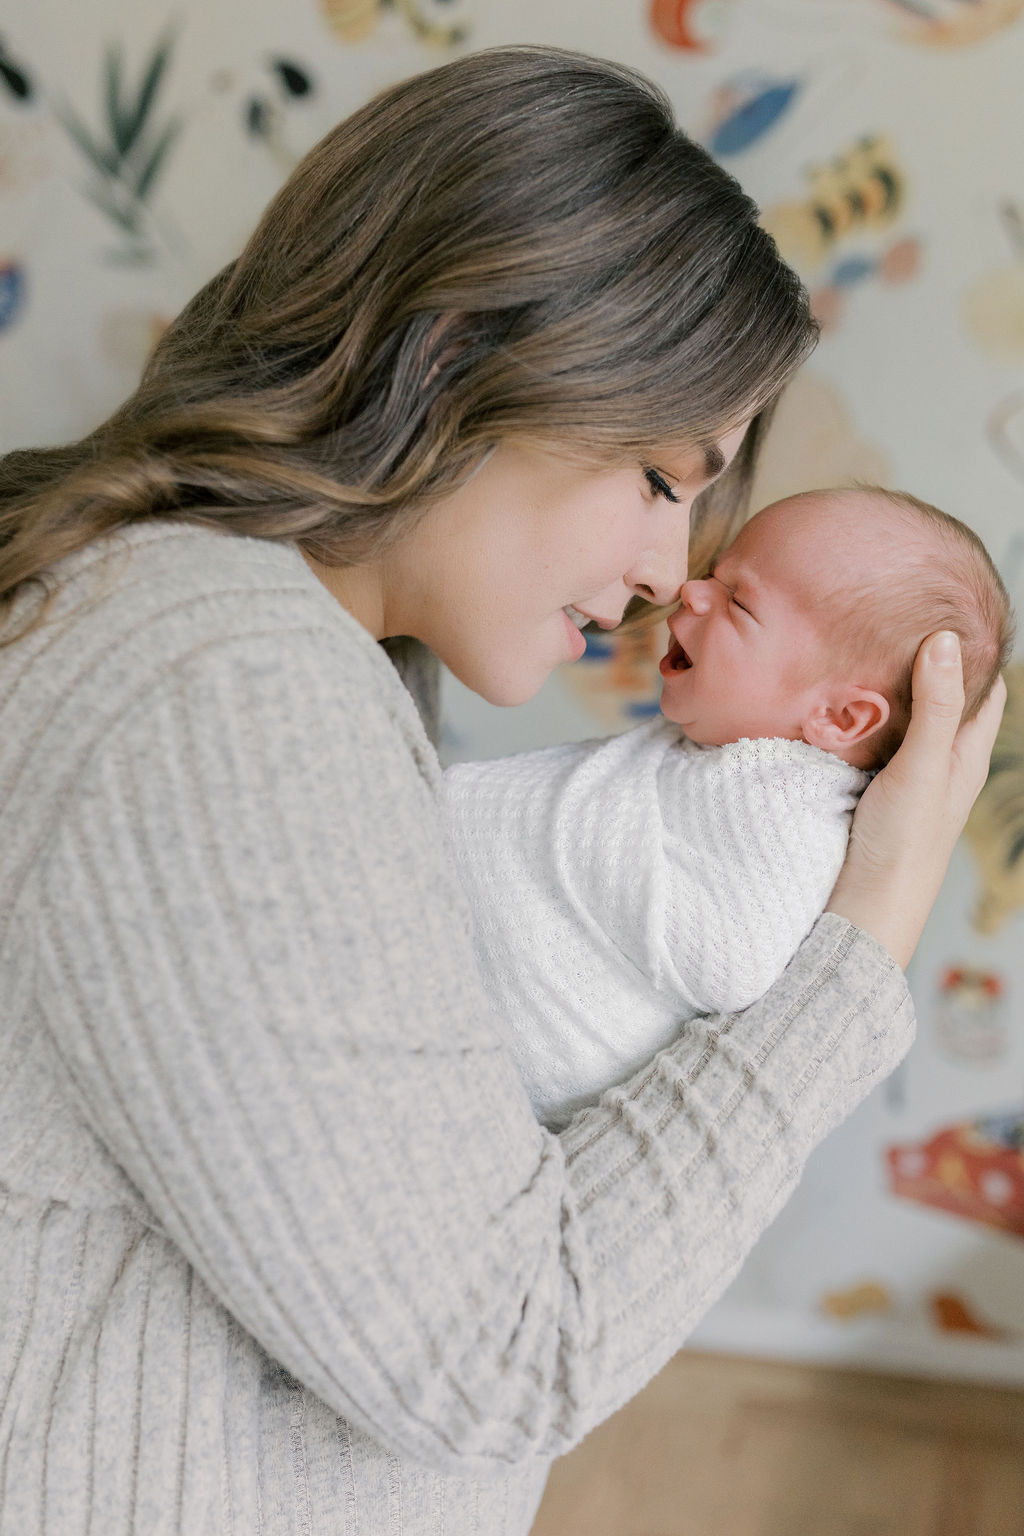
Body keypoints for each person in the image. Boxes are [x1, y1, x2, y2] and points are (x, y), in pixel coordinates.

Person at [0, 45, 1005, 1536]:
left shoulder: (280, 649)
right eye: (667, 479)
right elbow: (499, 1354)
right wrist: (862, 946)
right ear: (461, 350)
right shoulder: (220, 685)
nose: (674, 573)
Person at [444, 486, 1014, 1129]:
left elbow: (733, 956)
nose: (691, 591)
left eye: (738, 602)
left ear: (841, 716)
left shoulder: (794, 814)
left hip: (502, 1059)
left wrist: (565, 835)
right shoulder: (726, 745)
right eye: (715, 575)